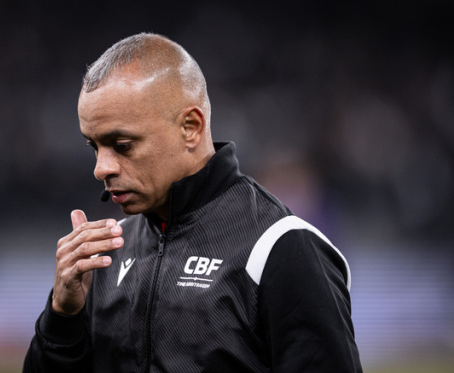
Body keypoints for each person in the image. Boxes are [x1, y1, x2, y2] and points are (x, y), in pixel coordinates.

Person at [23, 33, 363, 372]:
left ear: (190, 127)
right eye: (94, 147)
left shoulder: (280, 248)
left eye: (122, 145)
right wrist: (62, 318)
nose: (101, 168)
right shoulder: (105, 255)